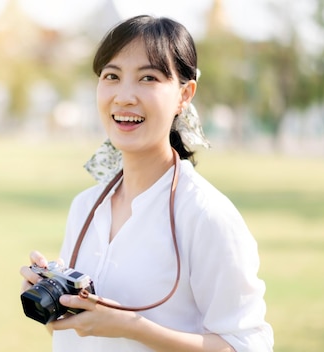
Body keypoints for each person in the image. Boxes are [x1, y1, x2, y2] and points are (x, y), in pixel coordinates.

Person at [20, 15, 274, 352]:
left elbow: (248, 346)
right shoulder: (85, 206)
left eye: (148, 78)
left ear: (185, 94)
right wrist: (51, 298)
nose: (124, 96)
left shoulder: (205, 215)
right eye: (112, 76)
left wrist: (134, 328)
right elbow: (73, 334)